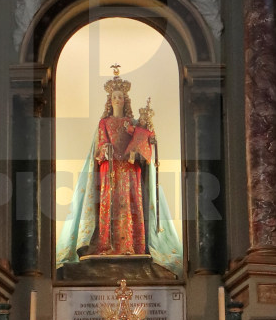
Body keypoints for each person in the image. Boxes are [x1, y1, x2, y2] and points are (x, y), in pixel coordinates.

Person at [56, 68, 182, 271]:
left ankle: (132, 245)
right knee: (110, 204)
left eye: (120, 97)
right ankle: (106, 245)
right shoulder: (104, 122)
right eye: (114, 97)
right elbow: (100, 145)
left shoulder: (132, 123)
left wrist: (148, 140)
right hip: (110, 169)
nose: (117, 100)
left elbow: (141, 145)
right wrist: (105, 149)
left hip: (130, 171)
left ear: (126, 100)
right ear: (110, 100)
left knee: (131, 205)